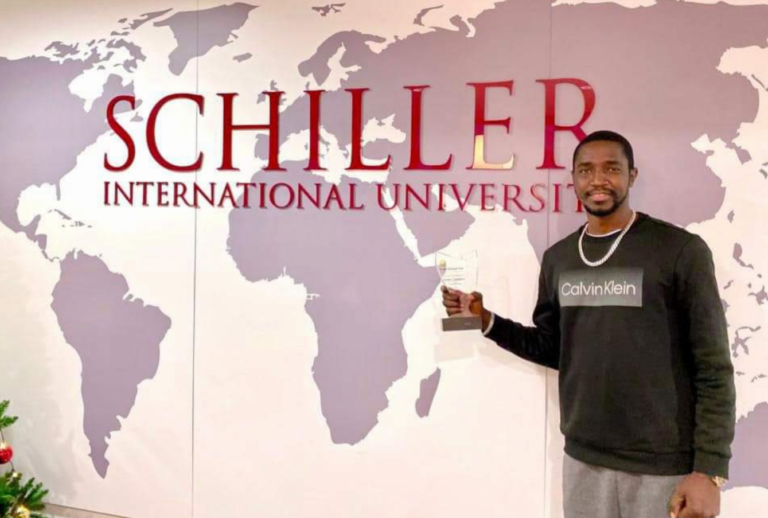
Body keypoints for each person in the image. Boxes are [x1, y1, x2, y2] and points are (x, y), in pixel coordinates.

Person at [443, 131, 735, 518]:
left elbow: (713, 366)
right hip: (584, 460)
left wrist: (709, 471)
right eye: (585, 170)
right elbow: (553, 348)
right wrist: (486, 321)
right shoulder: (559, 259)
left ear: (632, 175)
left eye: (611, 169)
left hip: (664, 465)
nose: (597, 180)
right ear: (574, 179)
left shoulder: (680, 250)